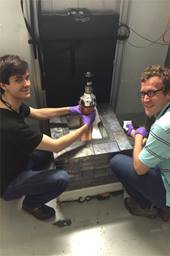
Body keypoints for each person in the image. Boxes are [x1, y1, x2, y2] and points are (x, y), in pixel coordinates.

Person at [0, 54, 96, 221]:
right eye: (19, 80)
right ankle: (31, 204)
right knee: (61, 178)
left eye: (27, 78)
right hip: (7, 182)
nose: (27, 84)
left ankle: (33, 181)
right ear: (3, 84)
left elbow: (36, 113)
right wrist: (86, 127)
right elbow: (57, 145)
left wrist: (70, 109)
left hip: (15, 160)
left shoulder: (8, 102)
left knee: (46, 154)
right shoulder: (9, 125)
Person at [110, 64, 170, 221]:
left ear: (168, 93)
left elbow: (139, 169)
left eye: (152, 93)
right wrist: (141, 135)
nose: (145, 99)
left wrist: (137, 138)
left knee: (117, 161)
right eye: (143, 93)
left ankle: (147, 206)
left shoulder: (162, 126)